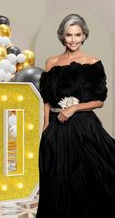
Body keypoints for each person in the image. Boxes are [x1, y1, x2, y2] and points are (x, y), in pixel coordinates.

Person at [37, 14, 115, 218]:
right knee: (56, 179)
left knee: (86, 180)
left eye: (77, 35)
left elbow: (99, 101)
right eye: (69, 35)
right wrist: (46, 124)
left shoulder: (92, 62)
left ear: (84, 36)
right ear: (62, 36)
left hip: (83, 128)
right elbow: (46, 98)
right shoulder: (51, 62)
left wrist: (74, 108)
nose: (73, 39)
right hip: (56, 127)